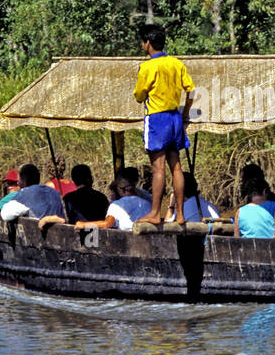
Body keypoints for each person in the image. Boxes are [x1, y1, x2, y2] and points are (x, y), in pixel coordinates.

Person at [132, 23, 195, 225]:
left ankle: (154, 213)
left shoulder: (147, 66)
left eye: (143, 42)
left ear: (148, 43)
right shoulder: (176, 63)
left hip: (157, 119)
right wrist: (184, 113)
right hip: (175, 117)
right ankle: (181, 215)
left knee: (158, 167)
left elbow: (139, 96)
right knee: (176, 166)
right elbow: (191, 91)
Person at [76, 173, 154, 232]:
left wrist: (83, 225)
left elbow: (106, 224)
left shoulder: (117, 205)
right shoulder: (148, 203)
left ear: (120, 190)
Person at [0, 164, 66, 221]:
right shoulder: (54, 191)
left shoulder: (25, 194)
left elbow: (5, 215)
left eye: (18, 179)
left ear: (24, 180)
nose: (17, 182)